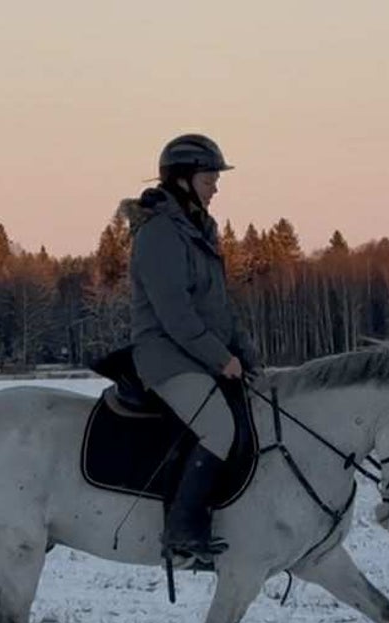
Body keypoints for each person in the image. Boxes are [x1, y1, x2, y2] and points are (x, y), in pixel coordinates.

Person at [124, 133, 261, 562]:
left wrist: (249, 357)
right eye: (209, 177)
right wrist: (222, 358)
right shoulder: (160, 234)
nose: (216, 186)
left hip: (199, 356)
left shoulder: (200, 230)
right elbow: (176, 316)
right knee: (219, 428)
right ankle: (182, 531)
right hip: (166, 357)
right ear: (182, 180)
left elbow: (220, 307)